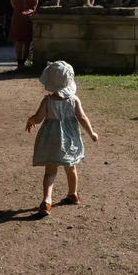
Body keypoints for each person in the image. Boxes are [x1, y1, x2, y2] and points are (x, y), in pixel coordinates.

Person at [25, 61, 99, 217]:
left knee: (50, 173)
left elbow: (38, 118)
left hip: (51, 141)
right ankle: (73, 194)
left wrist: (30, 121)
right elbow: (82, 117)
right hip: (69, 141)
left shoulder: (47, 101)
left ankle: (46, 201)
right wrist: (92, 133)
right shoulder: (74, 100)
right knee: (71, 168)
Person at [9, 0, 39, 70]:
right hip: (29, 16)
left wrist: (18, 9)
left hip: (17, 15)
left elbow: (12, 0)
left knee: (18, 41)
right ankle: (23, 63)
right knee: (26, 41)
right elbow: (36, 2)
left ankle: (19, 64)